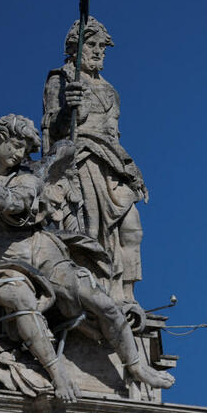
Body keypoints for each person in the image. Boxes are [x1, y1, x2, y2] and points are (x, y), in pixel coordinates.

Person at [0, 113, 174, 403]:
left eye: (24, 150)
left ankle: (136, 365)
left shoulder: (25, 178)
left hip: (41, 251)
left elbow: (17, 203)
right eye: (16, 146)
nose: (19, 155)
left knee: (100, 300)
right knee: (22, 302)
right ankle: (59, 376)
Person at [42, 16, 146, 302]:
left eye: (102, 46)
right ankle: (96, 289)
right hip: (81, 162)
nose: (99, 51)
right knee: (90, 232)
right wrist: (69, 109)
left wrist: (130, 168)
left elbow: (115, 136)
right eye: (92, 45)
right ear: (75, 49)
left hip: (112, 164)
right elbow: (52, 130)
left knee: (132, 228)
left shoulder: (111, 90)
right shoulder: (60, 79)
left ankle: (127, 295)